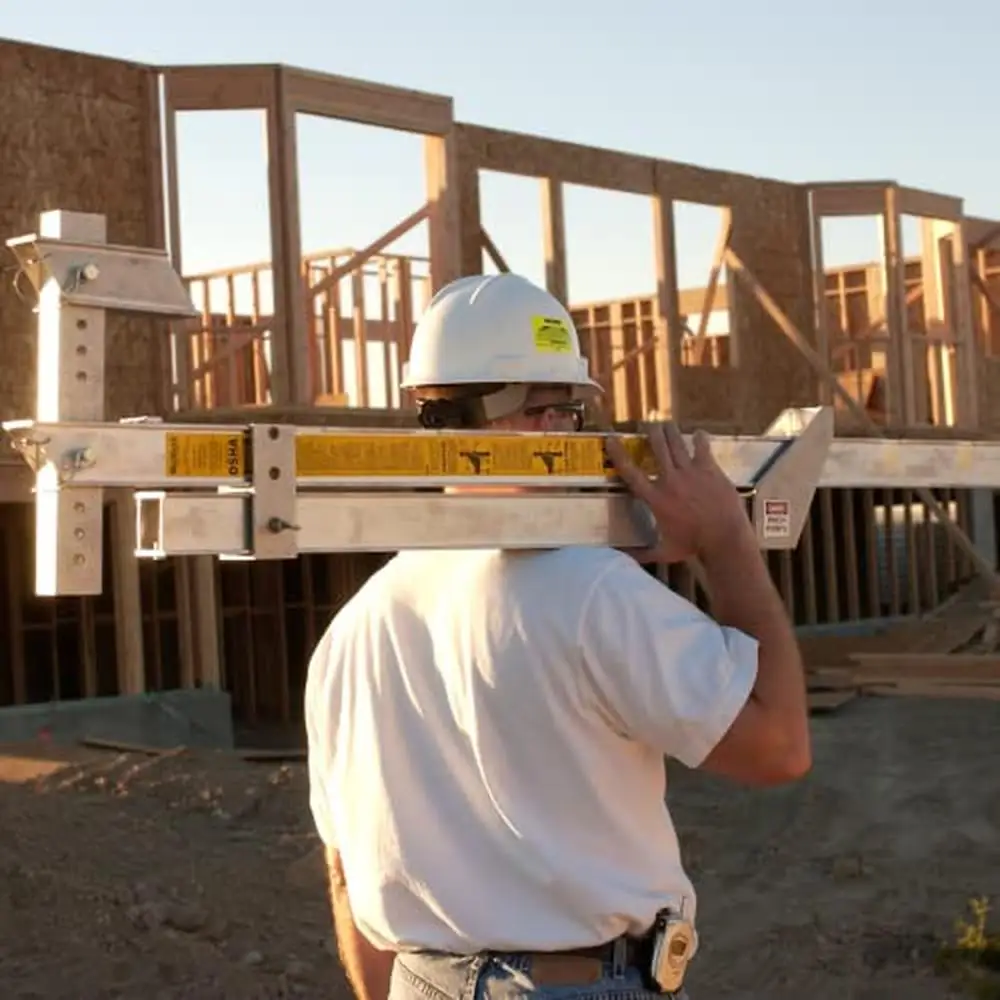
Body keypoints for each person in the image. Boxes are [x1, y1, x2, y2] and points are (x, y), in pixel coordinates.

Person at [304, 273, 811, 1000]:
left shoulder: (353, 629)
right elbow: (780, 747)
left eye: (567, 412)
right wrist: (726, 543)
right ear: (452, 419)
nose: (559, 433)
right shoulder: (590, 590)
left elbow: (347, 872)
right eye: (540, 410)